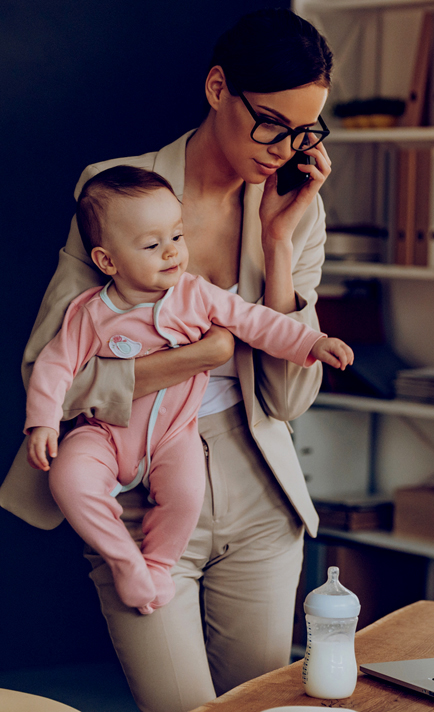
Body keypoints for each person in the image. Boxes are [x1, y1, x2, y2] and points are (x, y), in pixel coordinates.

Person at [0, 7, 337, 711]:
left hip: (257, 494)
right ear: (219, 88)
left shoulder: (297, 210)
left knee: (259, 707)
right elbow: (51, 374)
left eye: (305, 131)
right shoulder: (117, 192)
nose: (284, 149)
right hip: (134, 487)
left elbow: (286, 400)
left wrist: (279, 244)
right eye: (271, 123)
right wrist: (203, 355)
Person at [25, 165, 353, 617]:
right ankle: (125, 559)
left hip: (174, 436)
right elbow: (54, 365)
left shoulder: (197, 294)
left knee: (186, 490)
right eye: (152, 245)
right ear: (107, 261)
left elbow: (255, 322)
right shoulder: (91, 312)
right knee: (68, 477)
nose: (172, 253)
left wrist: (312, 342)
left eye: (177, 237)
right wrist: (42, 423)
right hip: (103, 433)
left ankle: (157, 563)